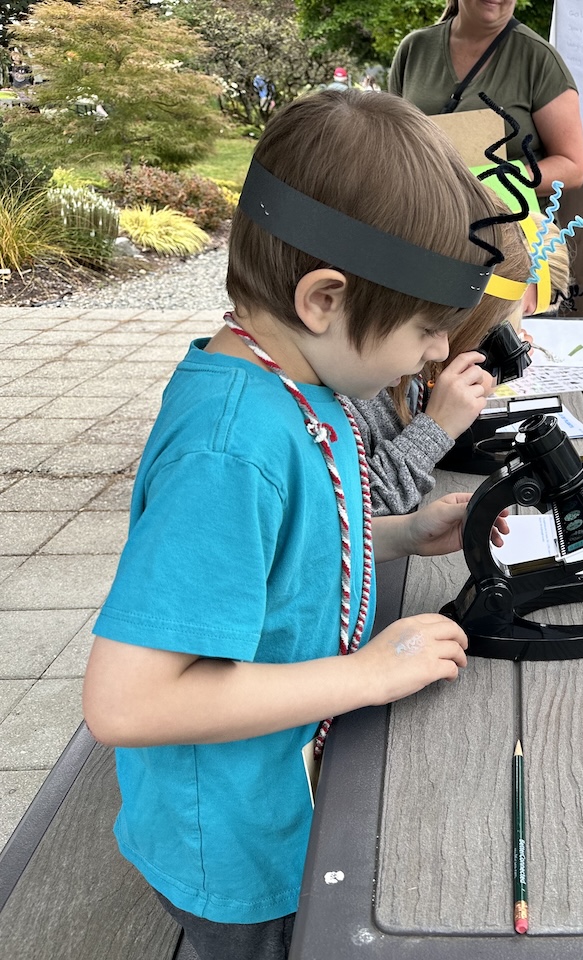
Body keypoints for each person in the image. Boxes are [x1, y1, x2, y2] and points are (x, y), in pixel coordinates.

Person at [81, 89, 512, 960]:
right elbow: (125, 702)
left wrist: (399, 534)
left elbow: (278, 555)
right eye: (429, 329)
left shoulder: (296, 386)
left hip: (283, 793)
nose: (437, 354)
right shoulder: (231, 447)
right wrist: (363, 675)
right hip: (238, 852)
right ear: (324, 298)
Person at [350, 211, 573, 515]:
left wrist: (461, 394)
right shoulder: (358, 384)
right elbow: (351, 523)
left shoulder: (407, 376)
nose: (512, 338)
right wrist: (437, 426)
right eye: (505, 323)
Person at [387, 0, 583, 195]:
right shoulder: (414, 49)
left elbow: (571, 168)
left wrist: (491, 185)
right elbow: (390, 144)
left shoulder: (540, 59)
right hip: (423, 220)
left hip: (508, 223)